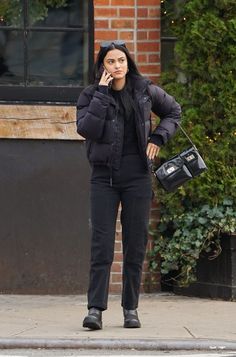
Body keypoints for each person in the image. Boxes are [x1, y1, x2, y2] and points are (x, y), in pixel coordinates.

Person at [76, 40, 181, 330]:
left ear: (128, 62)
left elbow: (173, 111)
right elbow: (86, 129)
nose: (117, 66)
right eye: (110, 61)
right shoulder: (90, 95)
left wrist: (158, 138)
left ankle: (130, 308)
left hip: (137, 178)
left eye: (121, 60)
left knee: (135, 246)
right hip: (103, 178)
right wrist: (101, 92)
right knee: (102, 247)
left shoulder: (144, 90)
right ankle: (95, 309)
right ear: (102, 66)